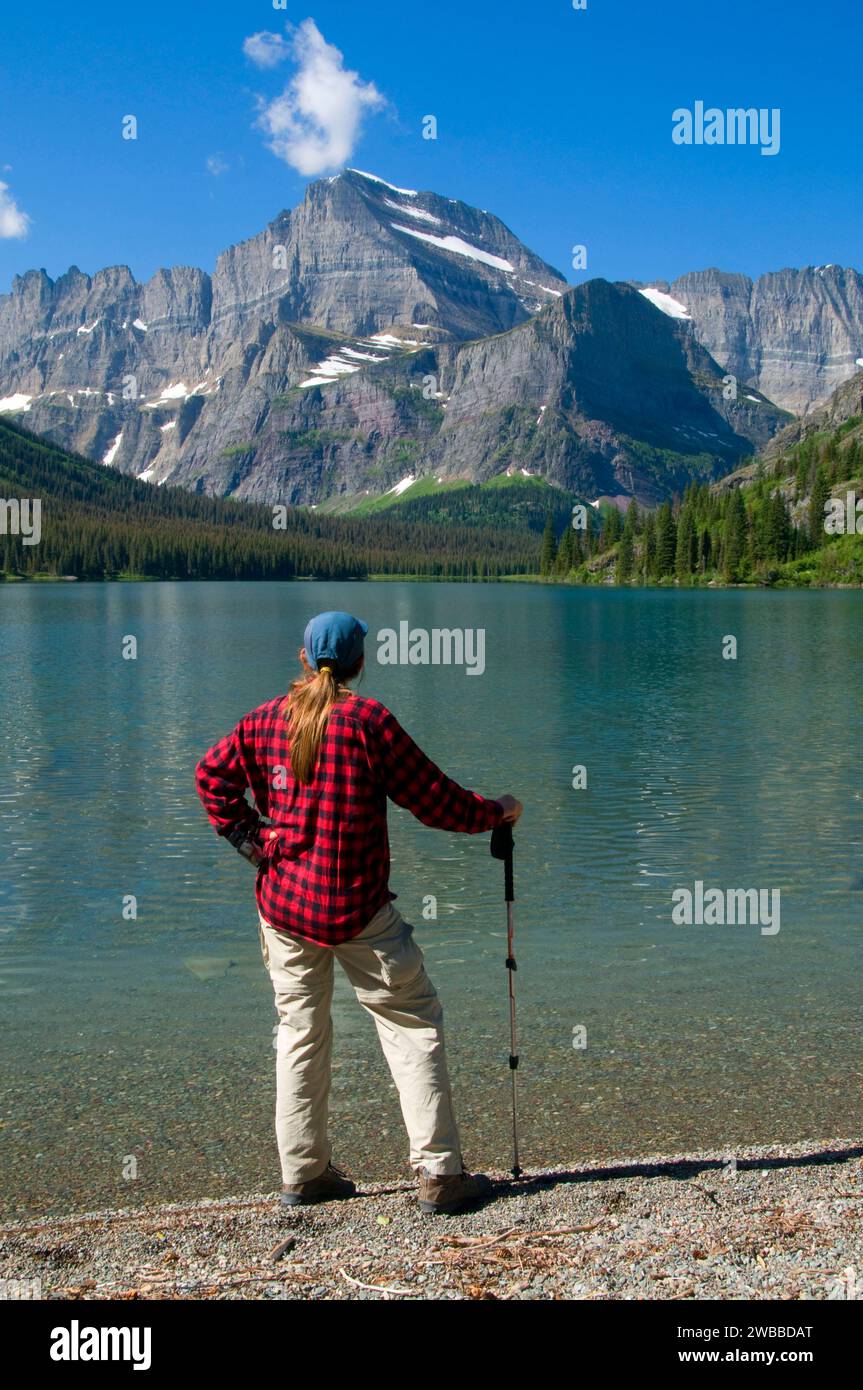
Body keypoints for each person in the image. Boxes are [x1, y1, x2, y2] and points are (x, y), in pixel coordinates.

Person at [195, 611, 523, 1215]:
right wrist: (495, 811)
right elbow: (436, 802)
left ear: (303, 657)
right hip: (360, 910)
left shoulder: (264, 720)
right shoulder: (369, 722)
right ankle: (438, 1175)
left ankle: (303, 1174)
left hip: (286, 908)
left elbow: (210, 778)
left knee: (299, 1034)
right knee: (412, 1022)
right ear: (359, 664)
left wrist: (255, 844)